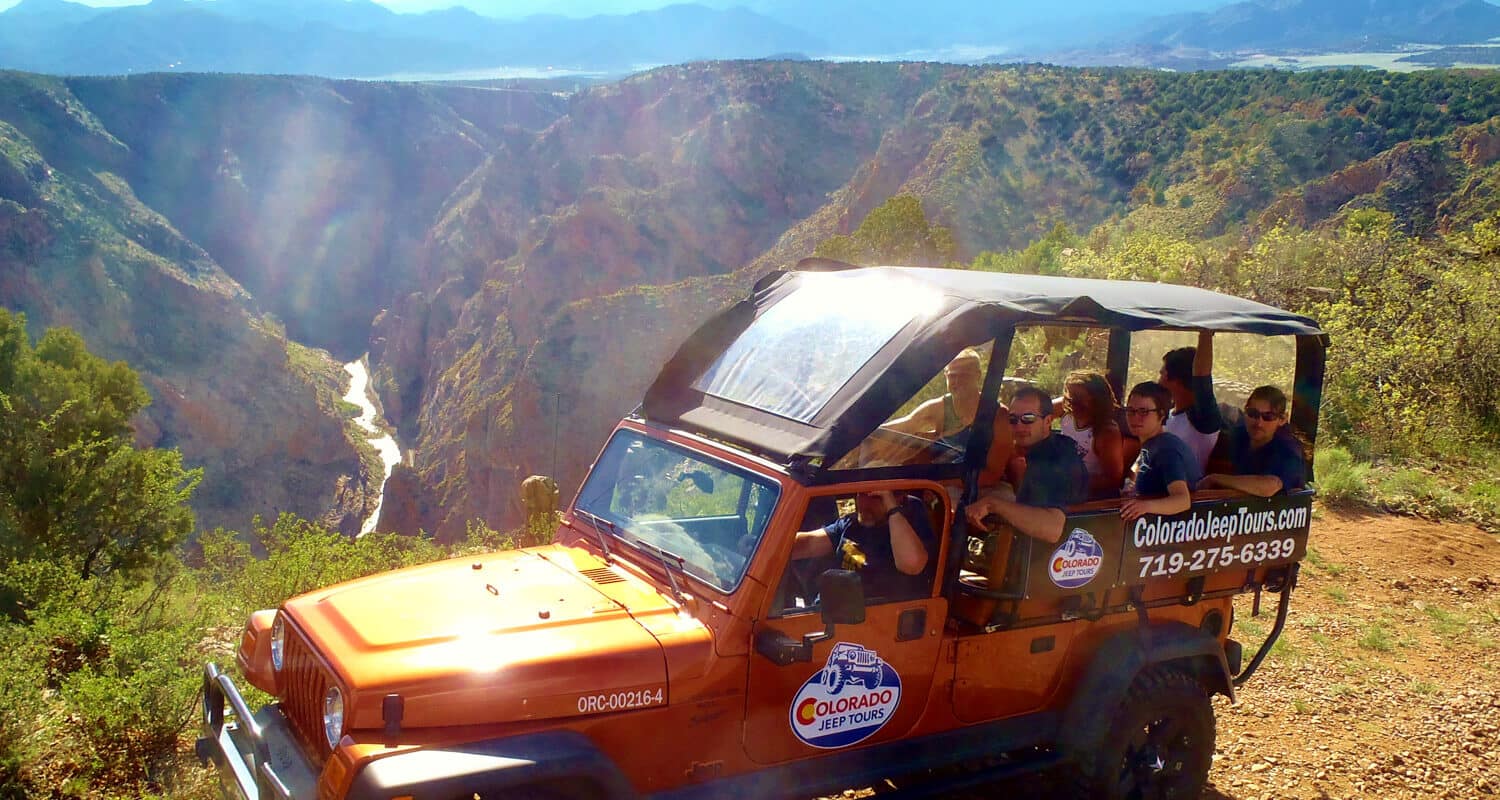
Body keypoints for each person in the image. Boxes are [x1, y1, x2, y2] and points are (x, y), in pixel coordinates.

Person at [963, 386, 1089, 544]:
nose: (1019, 426)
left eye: (1028, 418)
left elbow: (1052, 529)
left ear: (1048, 421)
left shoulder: (1054, 459)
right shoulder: (1033, 452)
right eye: (1013, 419)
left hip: (1052, 555)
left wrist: (992, 504)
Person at [791, 490, 935, 600]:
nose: (864, 504)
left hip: (872, 622)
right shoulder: (851, 524)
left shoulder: (907, 532)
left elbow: (912, 564)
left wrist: (892, 508)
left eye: (875, 497)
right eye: (862, 494)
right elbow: (808, 544)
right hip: (831, 610)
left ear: (898, 500)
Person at [1199, 385, 1306, 497]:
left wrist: (1215, 478)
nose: (1258, 423)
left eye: (1268, 417)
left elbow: (1270, 487)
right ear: (1245, 411)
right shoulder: (1237, 435)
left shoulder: (1289, 449)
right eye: (1253, 414)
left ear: (1282, 419)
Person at [1120, 381, 1201, 522]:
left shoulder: (1168, 449)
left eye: (1144, 411)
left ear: (1161, 414)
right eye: (1131, 411)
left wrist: (1145, 506)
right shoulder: (1149, 445)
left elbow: (1182, 500)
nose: (1135, 417)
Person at [882, 348, 983, 449]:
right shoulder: (938, 409)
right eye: (952, 376)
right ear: (945, 376)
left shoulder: (991, 409)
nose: (957, 381)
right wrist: (871, 433)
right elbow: (906, 425)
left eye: (963, 375)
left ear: (978, 375)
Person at [1160, 331, 1223, 471]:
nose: (1158, 381)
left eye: (1162, 374)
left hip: (1184, 491)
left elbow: (1201, 378)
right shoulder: (1165, 415)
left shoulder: (1203, 419)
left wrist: (1205, 334)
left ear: (1175, 380)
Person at [1059, 370, 1125, 499]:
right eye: (1070, 398)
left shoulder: (1106, 432)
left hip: (1090, 496)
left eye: (1080, 400)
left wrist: (1069, 481)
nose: (1073, 404)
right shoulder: (1067, 411)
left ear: (1097, 400)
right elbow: (1039, 409)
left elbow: (1113, 480)